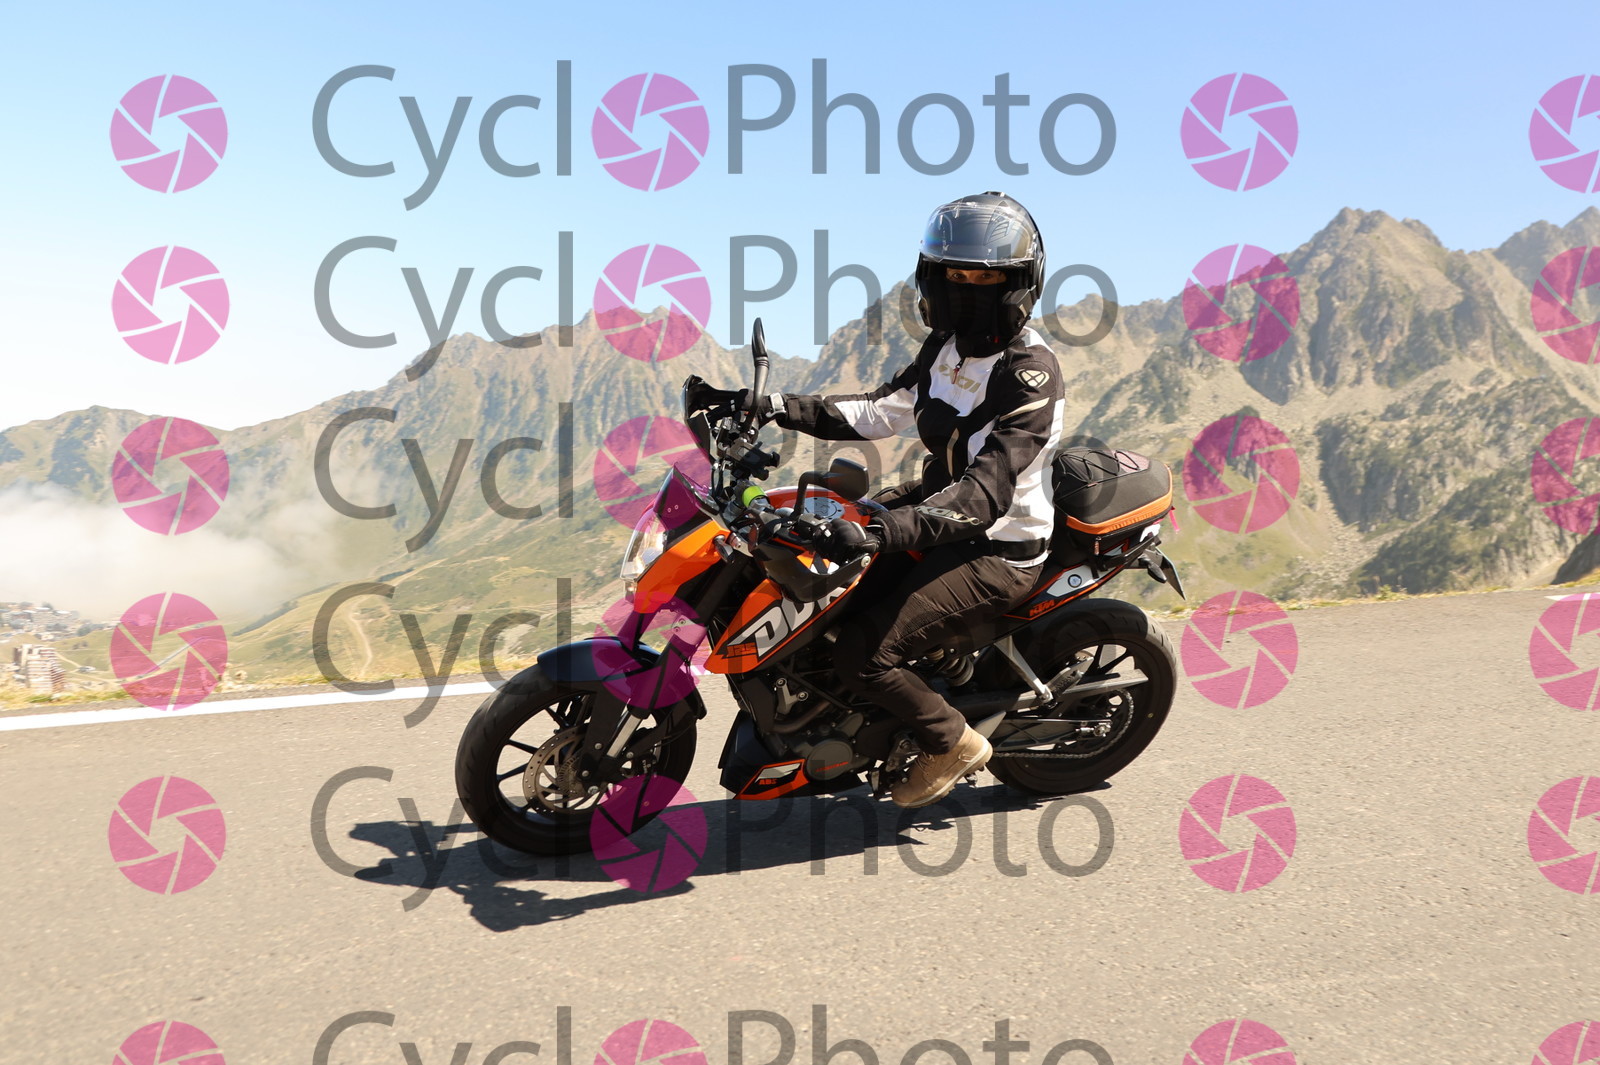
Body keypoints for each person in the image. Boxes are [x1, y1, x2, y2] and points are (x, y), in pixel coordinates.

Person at [735, 191, 1066, 808]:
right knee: (822, 573)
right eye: (954, 275)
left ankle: (950, 742)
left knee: (864, 652)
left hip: (997, 546)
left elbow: (982, 496)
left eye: (985, 277)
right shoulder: (945, 348)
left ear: (1019, 284)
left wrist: (881, 531)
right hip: (939, 509)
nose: (966, 289)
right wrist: (773, 407)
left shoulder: (1029, 375)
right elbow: (880, 410)